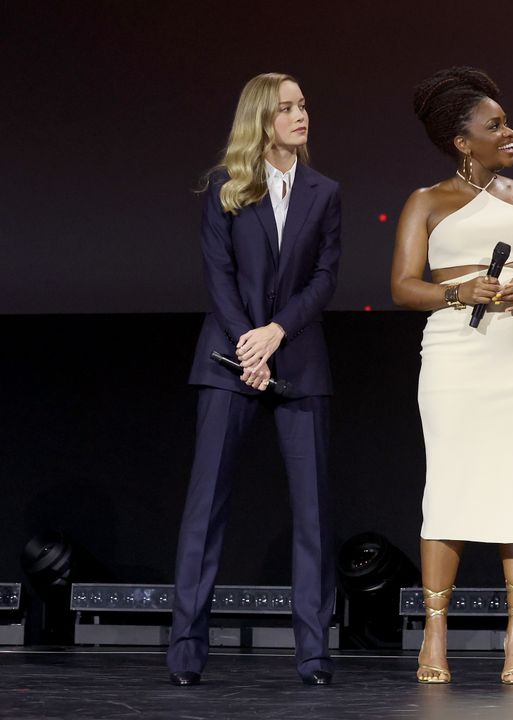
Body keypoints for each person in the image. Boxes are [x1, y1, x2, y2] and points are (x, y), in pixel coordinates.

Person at [390, 66, 513, 685]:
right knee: (452, 487)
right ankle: (435, 636)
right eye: (494, 126)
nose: (509, 130)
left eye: (506, 121)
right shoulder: (426, 202)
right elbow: (403, 286)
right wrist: (460, 290)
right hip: (456, 356)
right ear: (463, 141)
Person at [168, 73, 342, 687]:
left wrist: (276, 334)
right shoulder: (224, 187)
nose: (301, 115)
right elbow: (218, 276)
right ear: (262, 118)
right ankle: (186, 653)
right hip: (227, 361)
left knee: (313, 516)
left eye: (303, 105)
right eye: (288, 107)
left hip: (297, 361)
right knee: (205, 508)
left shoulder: (324, 191)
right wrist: (249, 343)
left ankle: (314, 656)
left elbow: (324, 278)